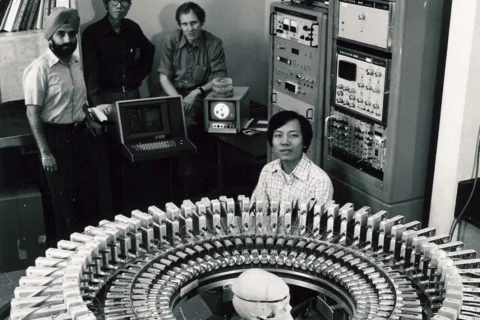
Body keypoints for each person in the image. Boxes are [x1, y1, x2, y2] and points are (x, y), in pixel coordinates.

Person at [23, 7, 104, 243]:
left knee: (87, 200)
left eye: (71, 34)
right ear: (51, 38)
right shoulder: (39, 69)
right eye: (61, 35)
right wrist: (45, 153)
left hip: (80, 137)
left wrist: (89, 119)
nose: (68, 40)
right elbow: (32, 113)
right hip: (55, 141)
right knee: (64, 208)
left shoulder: (77, 64)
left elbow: (80, 101)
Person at [82, 0, 155, 217]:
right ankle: (116, 214)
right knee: (112, 158)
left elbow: (149, 51)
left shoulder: (132, 28)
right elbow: (90, 74)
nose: (120, 5)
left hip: (132, 96)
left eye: (124, 1)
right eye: (114, 1)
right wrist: (96, 111)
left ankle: (138, 212)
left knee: (136, 154)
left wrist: (138, 77)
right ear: (106, 4)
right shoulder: (92, 33)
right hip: (107, 98)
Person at [158, 1, 228, 198]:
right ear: (179, 25)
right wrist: (177, 101)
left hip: (198, 95)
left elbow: (219, 78)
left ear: (202, 22)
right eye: (185, 24)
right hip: (172, 94)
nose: (190, 28)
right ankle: (165, 186)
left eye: (194, 23)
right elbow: (163, 77)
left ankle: (185, 184)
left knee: (185, 125)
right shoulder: (169, 40)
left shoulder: (214, 43)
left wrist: (196, 92)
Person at [251, 111, 334, 207]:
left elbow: (316, 222)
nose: (285, 142)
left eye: (293, 135)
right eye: (278, 135)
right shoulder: (268, 170)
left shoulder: (320, 182)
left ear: (305, 142)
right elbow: (258, 214)